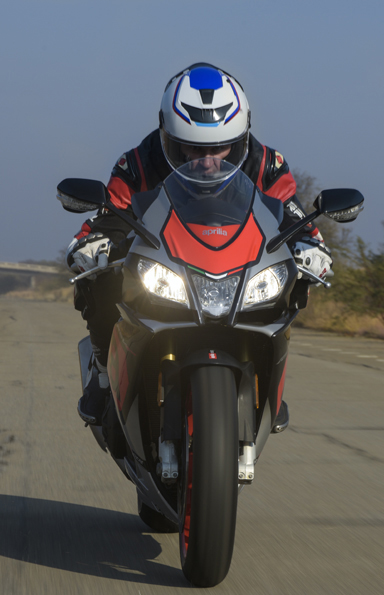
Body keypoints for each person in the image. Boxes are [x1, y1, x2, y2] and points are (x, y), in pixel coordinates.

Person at [67, 62, 333, 424]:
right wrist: (92, 242)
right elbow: (111, 211)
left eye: (221, 148)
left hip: (239, 270)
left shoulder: (265, 164)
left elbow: (292, 214)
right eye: (191, 149)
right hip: (165, 269)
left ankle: (267, 381)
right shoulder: (139, 162)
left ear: (241, 138)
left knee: (294, 281)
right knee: (97, 277)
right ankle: (102, 372)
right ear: (167, 136)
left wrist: (311, 245)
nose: (207, 162)